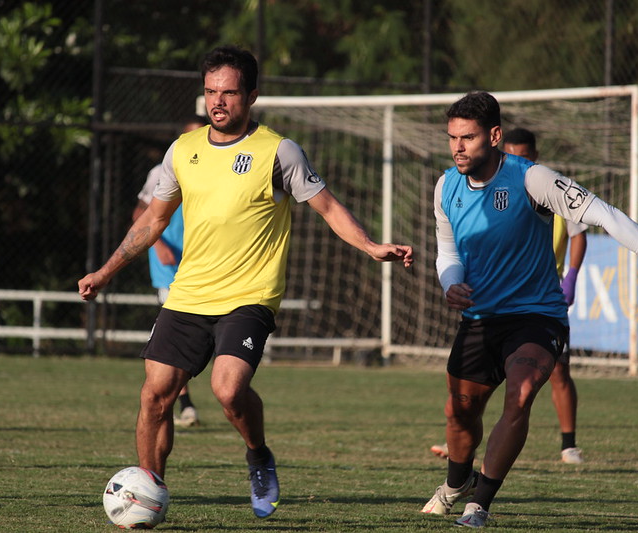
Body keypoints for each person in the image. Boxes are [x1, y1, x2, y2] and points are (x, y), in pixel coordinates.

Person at [79, 45, 413, 521]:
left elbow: (330, 209)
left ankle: (258, 454)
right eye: (211, 91)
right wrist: (105, 272)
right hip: (189, 294)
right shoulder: (183, 150)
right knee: (155, 393)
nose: (218, 101)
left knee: (228, 389)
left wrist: (371, 245)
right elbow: (152, 221)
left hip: (249, 297)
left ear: (251, 95)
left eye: (230, 92)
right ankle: (149, 495)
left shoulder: (278, 152)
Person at [420, 91, 638, 528]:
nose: (458, 147)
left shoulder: (532, 179)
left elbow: (607, 215)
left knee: (519, 395)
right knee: (459, 415)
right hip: (479, 319)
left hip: (537, 315)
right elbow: (446, 251)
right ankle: (456, 483)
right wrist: (450, 282)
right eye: (452, 137)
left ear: (494, 136)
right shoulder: (445, 186)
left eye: (468, 137)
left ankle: (480, 503)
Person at [429, 127, 588, 465]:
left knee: (554, 373)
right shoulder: (474, 187)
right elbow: (454, 248)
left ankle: (568, 443)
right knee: (469, 397)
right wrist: (452, 281)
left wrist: (571, 277)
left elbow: (579, 233)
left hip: (543, 300)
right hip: (491, 307)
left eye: (523, 155)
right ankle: (462, 447)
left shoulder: (542, 184)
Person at [132, 115, 209, 429]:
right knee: (176, 335)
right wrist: (158, 244)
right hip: (171, 266)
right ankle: (184, 402)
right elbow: (141, 212)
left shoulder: (222, 167)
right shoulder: (164, 169)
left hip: (206, 263)